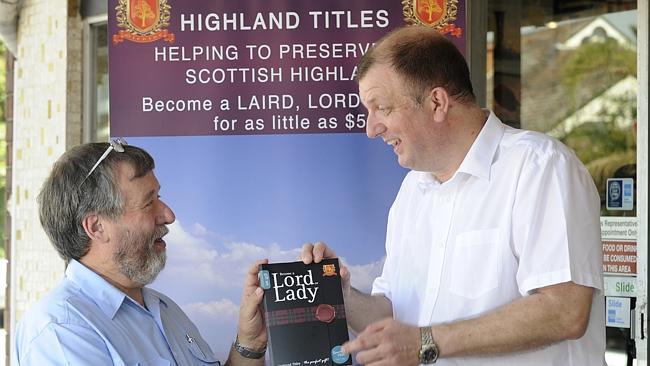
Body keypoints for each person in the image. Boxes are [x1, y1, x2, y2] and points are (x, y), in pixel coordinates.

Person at [302, 25, 605, 365]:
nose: (371, 129)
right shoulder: (412, 192)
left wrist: (427, 342)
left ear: (437, 102)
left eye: (381, 108)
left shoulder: (539, 167)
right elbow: (396, 319)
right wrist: (341, 296)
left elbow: (564, 310)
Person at [14, 140, 268, 365]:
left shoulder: (165, 310)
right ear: (97, 227)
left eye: (160, 196)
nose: (168, 215)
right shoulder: (61, 332)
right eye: (149, 202)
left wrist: (249, 345)